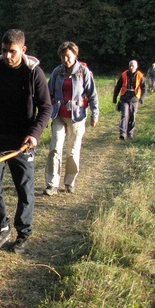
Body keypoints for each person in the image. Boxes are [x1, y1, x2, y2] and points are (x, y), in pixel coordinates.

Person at [0, 29, 52, 254]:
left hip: (23, 141)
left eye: (12, 52)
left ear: (23, 50)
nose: (8, 56)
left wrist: (35, 134)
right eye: (4, 51)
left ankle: (23, 233)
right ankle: (1, 226)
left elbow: (46, 107)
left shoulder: (33, 73)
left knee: (24, 188)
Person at [43, 41, 99, 196]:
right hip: (58, 115)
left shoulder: (84, 72)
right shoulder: (56, 72)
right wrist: (45, 116)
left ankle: (69, 182)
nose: (65, 60)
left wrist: (95, 114)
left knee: (72, 151)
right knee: (55, 148)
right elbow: (48, 95)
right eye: (62, 57)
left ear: (75, 55)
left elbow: (92, 94)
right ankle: (52, 184)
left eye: (68, 56)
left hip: (77, 116)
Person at [113, 59, 147, 140]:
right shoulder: (124, 74)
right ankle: (122, 133)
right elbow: (118, 86)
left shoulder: (140, 75)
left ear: (136, 67)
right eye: (130, 66)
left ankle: (130, 133)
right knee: (124, 115)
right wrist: (114, 97)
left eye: (133, 66)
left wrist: (142, 98)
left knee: (132, 116)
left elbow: (144, 88)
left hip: (134, 98)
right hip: (124, 97)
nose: (131, 67)